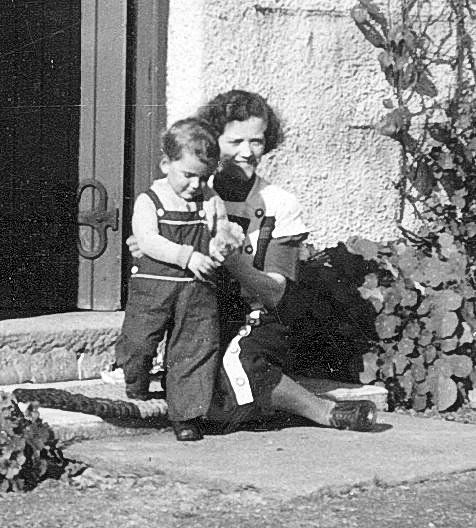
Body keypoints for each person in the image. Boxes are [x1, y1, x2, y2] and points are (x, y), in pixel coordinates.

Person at [128, 90, 378, 433]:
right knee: (200, 369)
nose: (247, 152)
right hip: (201, 311)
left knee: (234, 365)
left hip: (257, 315)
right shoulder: (188, 187)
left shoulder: (278, 204)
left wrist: (234, 262)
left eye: (257, 142)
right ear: (212, 142)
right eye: (235, 141)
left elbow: (277, 293)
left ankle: (323, 412)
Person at [115, 117, 243, 442]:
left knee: (196, 347)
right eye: (187, 175)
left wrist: (222, 244)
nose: (195, 185)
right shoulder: (151, 201)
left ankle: (186, 414)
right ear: (165, 164)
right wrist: (187, 256)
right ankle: (136, 377)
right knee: (140, 340)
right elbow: (147, 241)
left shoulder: (210, 201)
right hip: (153, 288)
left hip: (197, 290)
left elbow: (219, 232)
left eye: (204, 177)